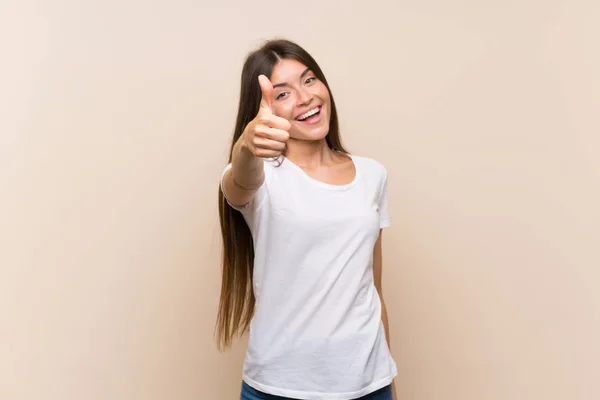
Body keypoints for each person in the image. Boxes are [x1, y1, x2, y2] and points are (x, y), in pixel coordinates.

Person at [217, 39, 398, 400]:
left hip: (370, 383)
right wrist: (247, 145)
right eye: (282, 94)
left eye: (310, 80)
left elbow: (373, 292)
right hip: (279, 386)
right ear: (262, 110)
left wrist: (390, 384)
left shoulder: (372, 175)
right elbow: (238, 181)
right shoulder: (261, 176)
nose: (305, 98)